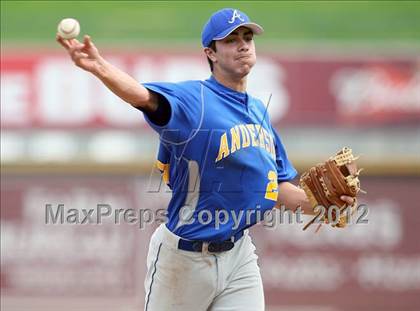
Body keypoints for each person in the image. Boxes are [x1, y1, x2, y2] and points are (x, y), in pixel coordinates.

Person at [57, 8, 354, 311]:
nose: (243, 45)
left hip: (239, 256)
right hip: (184, 258)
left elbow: (275, 188)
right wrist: (100, 67)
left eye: (247, 37)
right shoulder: (193, 100)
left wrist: (323, 205)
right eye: (230, 39)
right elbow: (143, 97)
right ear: (210, 52)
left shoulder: (260, 116)